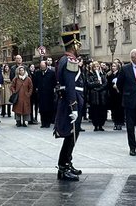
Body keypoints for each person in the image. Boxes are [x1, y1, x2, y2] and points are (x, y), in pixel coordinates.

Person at [54, 30, 85, 181]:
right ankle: (63, 167)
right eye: (78, 44)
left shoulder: (64, 60)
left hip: (69, 101)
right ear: (74, 45)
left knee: (72, 135)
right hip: (71, 102)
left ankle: (67, 162)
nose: (79, 47)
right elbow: (70, 85)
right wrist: (74, 107)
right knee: (71, 135)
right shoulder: (69, 61)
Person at [84, 60, 109, 131]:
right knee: (95, 111)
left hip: (102, 95)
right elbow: (89, 84)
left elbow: (105, 83)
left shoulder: (103, 74)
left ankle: (101, 125)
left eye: (98, 66)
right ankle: (95, 125)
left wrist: (100, 88)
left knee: (102, 111)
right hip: (94, 95)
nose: (96, 68)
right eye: (95, 67)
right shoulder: (89, 74)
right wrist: (97, 84)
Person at [35, 57, 56, 128]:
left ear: (46, 66)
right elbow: (36, 82)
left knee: (49, 109)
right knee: (42, 109)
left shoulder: (52, 73)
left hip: (49, 94)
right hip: (41, 94)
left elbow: (54, 83)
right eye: (41, 67)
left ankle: (48, 122)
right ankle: (43, 122)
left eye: (43, 66)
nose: (42, 68)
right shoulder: (38, 73)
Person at [108, 60, 125, 131]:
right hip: (112, 94)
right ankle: (115, 123)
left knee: (120, 109)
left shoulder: (120, 74)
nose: (113, 67)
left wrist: (118, 87)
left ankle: (120, 123)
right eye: (112, 66)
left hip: (119, 94)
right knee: (114, 109)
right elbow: (108, 84)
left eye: (115, 66)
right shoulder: (110, 75)